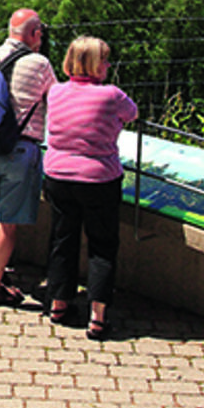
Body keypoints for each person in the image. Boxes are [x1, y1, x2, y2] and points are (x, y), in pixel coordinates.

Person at [42, 35, 137, 338]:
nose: (109, 65)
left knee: (62, 240)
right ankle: (98, 316)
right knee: (102, 246)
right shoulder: (112, 95)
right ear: (97, 64)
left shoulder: (55, 92)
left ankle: (58, 303)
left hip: (58, 175)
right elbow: (131, 114)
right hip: (99, 178)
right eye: (106, 60)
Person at [0, 8, 57, 306]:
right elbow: (56, 98)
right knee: (7, 223)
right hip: (20, 148)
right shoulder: (39, 63)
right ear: (35, 34)